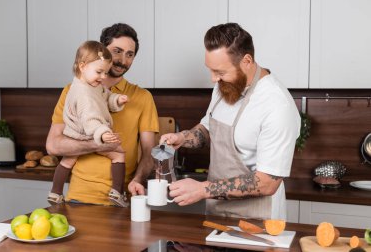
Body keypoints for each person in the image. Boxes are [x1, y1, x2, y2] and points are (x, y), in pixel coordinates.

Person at [160, 23, 300, 219]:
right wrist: (183, 138)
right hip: (217, 213)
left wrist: (202, 189)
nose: (213, 79)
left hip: (258, 220)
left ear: (247, 61)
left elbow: (268, 182)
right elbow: (208, 130)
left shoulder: (276, 105)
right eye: (210, 70)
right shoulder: (223, 86)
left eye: (219, 72)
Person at [46, 23, 159, 206]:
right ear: (102, 50)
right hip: (79, 197)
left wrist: (138, 179)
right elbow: (53, 146)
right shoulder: (72, 91)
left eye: (129, 54)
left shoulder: (142, 97)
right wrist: (100, 144)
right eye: (117, 51)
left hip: (122, 201)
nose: (122, 60)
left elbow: (149, 153)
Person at [48, 40, 130, 207]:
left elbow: (105, 96)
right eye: (99, 72)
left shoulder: (88, 84)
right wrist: (102, 133)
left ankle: (55, 193)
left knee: (68, 160)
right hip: (87, 132)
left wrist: (116, 100)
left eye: (105, 73)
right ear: (82, 66)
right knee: (118, 154)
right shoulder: (84, 94)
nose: (103, 77)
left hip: (75, 132)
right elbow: (90, 117)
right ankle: (117, 192)